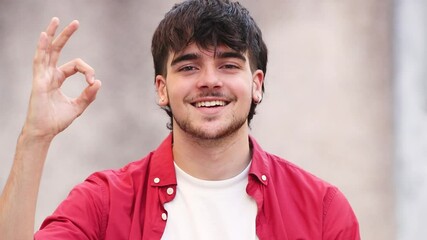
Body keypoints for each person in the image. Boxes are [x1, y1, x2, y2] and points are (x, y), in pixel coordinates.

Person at [0, 0, 360, 239]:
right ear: (162, 89)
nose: (209, 80)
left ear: (257, 84)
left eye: (229, 64)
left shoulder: (322, 210)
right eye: (189, 66)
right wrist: (35, 137)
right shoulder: (105, 202)